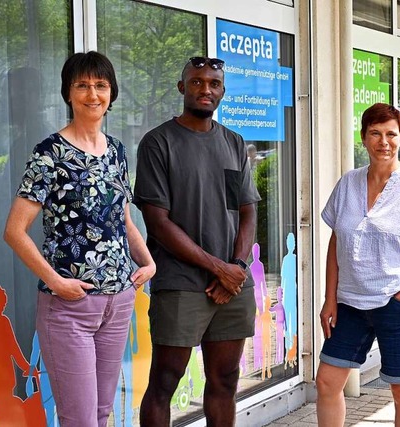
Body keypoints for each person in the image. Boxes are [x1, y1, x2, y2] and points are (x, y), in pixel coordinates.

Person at [3, 51, 156, 427]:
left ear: (111, 93)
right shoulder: (48, 154)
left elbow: (122, 218)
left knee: (102, 414)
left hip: (118, 303)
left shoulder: (117, 151)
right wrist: (56, 282)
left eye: (101, 85)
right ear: (68, 93)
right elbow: (14, 231)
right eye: (82, 85)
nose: (93, 94)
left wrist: (148, 262)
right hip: (69, 305)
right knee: (80, 419)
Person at [134, 56, 260, 426]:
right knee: (164, 383)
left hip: (232, 286)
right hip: (181, 284)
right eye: (197, 82)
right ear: (182, 87)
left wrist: (236, 268)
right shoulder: (158, 143)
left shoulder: (233, 143)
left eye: (214, 84)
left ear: (222, 91)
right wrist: (218, 268)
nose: (206, 89)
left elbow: (247, 210)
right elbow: (158, 222)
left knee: (225, 381)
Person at [316, 102, 400, 427]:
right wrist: (329, 297)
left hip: (398, 304)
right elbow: (337, 243)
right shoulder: (348, 183)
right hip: (349, 304)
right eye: (375, 133)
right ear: (363, 137)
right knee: (326, 383)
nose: (383, 141)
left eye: (391, 134)